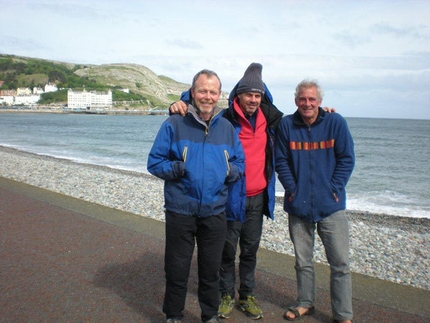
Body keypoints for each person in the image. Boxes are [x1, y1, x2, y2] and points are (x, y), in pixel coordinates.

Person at [170, 63, 284, 320]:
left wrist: (324, 113)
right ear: (238, 96)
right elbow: (202, 100)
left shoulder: (271, 119)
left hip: (258, 195)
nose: (253, 99)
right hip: (231, 195)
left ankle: (247, 296)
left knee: (250, 250)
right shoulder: (227, 118)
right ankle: (225, 296)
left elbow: (302, 119)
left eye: (258, 95)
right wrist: (179, 102)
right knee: (226, 250)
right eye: (249, 95)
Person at [147, 69, 245, 323]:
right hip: (181, 209)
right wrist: (178, 168)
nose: (208, 96)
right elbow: (154, 162)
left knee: (210, 270)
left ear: (219, 95)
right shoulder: (174, 123)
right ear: (193, 93)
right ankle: (174, 315)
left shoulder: (226, 128)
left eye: (213, 92)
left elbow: (240, 163)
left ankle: (209, 315)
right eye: (202, 90)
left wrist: (229, 171)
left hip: (214, 211)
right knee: (177, 269)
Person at [275, 79, 355, 323]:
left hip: (331, 207)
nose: (307, 103)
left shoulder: (335, 122)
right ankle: (305, 303)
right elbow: (281, 161)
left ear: (320, 102)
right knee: (303, 261)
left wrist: (333, 189)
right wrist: (293, 190)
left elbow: (346, 159)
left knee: (340, 263)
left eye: (312, 99)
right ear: (296, 100)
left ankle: (342, 314)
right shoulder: (286, 125)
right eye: (302, 99)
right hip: (298, 207)